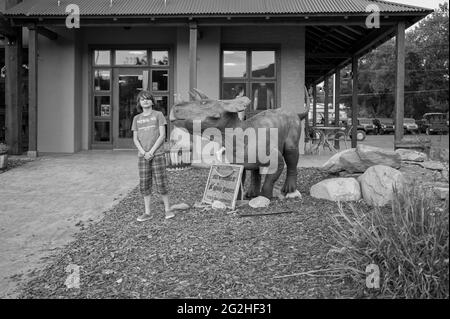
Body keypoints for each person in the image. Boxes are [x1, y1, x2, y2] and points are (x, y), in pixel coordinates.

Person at [132, 90, 174, 221]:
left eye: (147, 98)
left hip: (158, 154)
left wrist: (151, 151)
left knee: (161, 182)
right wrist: (144, 153)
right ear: (139, 103)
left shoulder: (158, 115)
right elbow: (135, 138)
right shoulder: (136, 119)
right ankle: (147, 212)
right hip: (143, 156)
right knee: (145, 183)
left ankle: (167, 209)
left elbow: (162, 135)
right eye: (142, 99)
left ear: (152, 101)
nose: (145, 101)